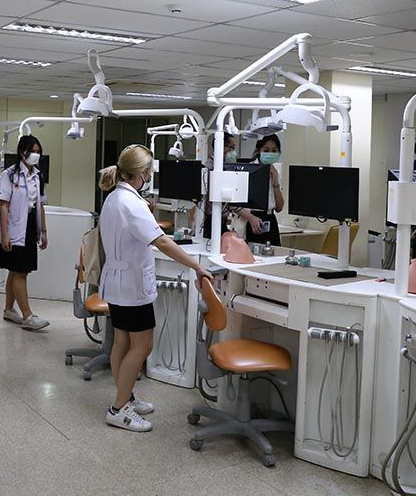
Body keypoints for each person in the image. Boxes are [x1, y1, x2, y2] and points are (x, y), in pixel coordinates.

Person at [97, 144, 213, 432]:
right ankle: (118, 409)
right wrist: (196, 266)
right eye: (149, 172)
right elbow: (160, 240)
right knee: (143, 345)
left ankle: (125, 397)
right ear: (143, 172)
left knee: (122, 343)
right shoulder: (132, 203)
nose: (150, 177)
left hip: (118, 283)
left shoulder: (114, 198)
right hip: (132, 286)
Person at [0, 135, 49, 331]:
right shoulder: (9, 175)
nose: (35, 155)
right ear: (21, 152)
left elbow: (40, 205)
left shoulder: (38, 176)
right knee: (20, 272)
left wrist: (43, 231)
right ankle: (27, 316)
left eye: (38, 151)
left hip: (30, 225)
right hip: (13, 226)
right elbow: (4, 206)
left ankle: (9, 310)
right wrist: (5, 234)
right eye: (32, 151)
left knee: (16, 270)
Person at [235, 134, 284, 246]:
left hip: (270, 219)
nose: (270, 154)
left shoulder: (276, 171)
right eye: (266, 150)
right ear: (259, 150)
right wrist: (251, 218)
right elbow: (233, 205)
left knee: (273, 253)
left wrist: (275, 183)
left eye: (274, 150)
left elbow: (279, 207)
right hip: (252, 219)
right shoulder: (248, 170)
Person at [201, 132, 238, 238]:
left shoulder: (224, 167)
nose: (233, 152)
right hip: (211, 219)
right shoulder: (210, 168)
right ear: (220, 147)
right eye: (231, 148)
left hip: (222, 219)